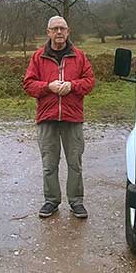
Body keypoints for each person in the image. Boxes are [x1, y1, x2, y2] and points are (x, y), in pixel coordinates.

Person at [23, 16, 95, 219]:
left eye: (62, 28)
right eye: (55, 29)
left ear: (68, 31)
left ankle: (76, 202)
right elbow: (28, 84)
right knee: (49, 164)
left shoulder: (79, 56)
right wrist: (48, 87)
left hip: (72, 118)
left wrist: (72, 85)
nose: (59, 32)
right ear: (48, 32)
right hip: (47, 118)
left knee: (75, 163)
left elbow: (89, 82)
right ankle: (51, 201)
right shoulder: (38, 57)